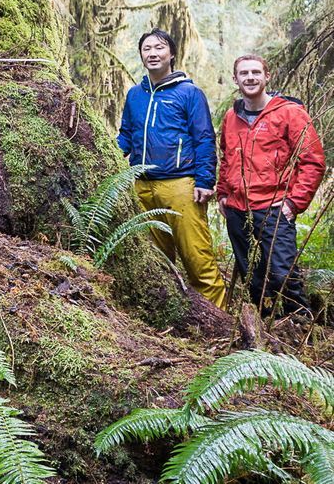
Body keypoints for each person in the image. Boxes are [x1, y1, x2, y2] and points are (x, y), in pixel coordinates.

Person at [117, 29, 227, 308]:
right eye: (147, 49)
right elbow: (126, 135)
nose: (152, 53)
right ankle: (171, 315)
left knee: (196, 256)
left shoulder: (189, 93)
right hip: (142, 186)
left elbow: (204, 138)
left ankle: (219, 319)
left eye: (159, 48)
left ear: (172, 54)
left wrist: (205, 180)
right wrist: (111, 156)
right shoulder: (134, 95)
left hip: (181, 186)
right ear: (141, 55)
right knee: (156, 260)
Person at [217, 55, 326, 317]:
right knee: (253, 279)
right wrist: (223, 194)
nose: (250, 77)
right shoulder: (231, 117)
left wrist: (293, 203)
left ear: (267, 76)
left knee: (282, 275)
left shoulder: (289, 113)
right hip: (238, 209)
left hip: (274, 208)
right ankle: (266, 332)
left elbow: (313, 161)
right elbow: (226, 157)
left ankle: (300, 329)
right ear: (236, 79)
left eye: (256, 72)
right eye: (244, 73)